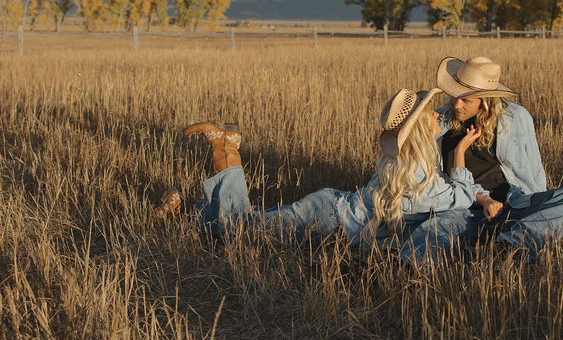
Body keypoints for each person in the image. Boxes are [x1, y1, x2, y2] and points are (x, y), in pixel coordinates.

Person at [152, 87, 484, 262]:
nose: (438, 116)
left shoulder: (403, 163)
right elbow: (463, 195)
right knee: (242, 233)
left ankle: (188, 212)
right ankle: (227, 149)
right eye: (430, 114)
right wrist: (459, 151)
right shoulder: (421, 177)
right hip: (330, 221)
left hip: (330, 209)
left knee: (251, 226)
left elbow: (428, 133)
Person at [411, 56, 563, 259]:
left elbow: (534, 172)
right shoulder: (439, 123)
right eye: (454, 95)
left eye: (466, 100)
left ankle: (506, 249)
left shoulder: (517, 117)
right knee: (430, 230)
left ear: (485, 101)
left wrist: (537, 211)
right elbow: (441, 180)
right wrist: (484, 200)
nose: (456, 105)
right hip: (467, 211)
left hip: (514, 204)